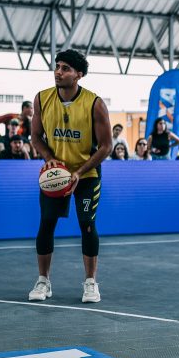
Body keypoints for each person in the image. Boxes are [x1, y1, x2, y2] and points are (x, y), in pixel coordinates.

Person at [29, 49, 112, 303]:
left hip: (86, 175)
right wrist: (49, 158)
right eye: (57, 67)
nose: (58, 72)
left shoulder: (95, 104)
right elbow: (35, 137)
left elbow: (106, 146)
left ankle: (91, 283)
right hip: (56, 175)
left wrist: (79, 172)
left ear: (79, 75)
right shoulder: (42, 99)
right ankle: (43, 281)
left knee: (87, 225)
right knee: (46, 224)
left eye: (65, 68)